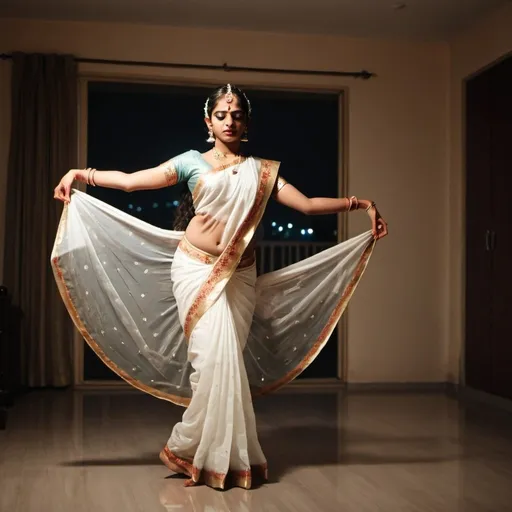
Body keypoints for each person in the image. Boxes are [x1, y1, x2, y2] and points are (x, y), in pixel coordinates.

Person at [52, 84, 388, 490]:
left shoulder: (262, 170)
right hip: (194, 270)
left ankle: (205, 455)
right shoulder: (191, 162)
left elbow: (308, 205)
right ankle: (194, 450)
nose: (230, 121)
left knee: (225, 364)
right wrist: (79, 174)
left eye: (237, 115)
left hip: (239, 277)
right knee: (211, 360)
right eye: (222, 115)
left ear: (246, 123)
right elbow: (129, 183)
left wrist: (361, 204)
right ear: (208, 121)